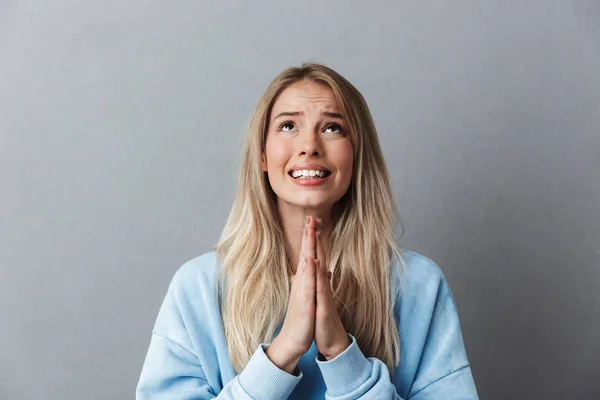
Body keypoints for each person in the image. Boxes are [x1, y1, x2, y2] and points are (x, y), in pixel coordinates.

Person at [135, 63, 479, 399]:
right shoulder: (198, 287)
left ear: (357, 156)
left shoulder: (418, 285)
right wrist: (281, 355)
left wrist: (341, 353)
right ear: (263, 156)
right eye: (287, 126)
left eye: (333, 128)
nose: (310, 145)